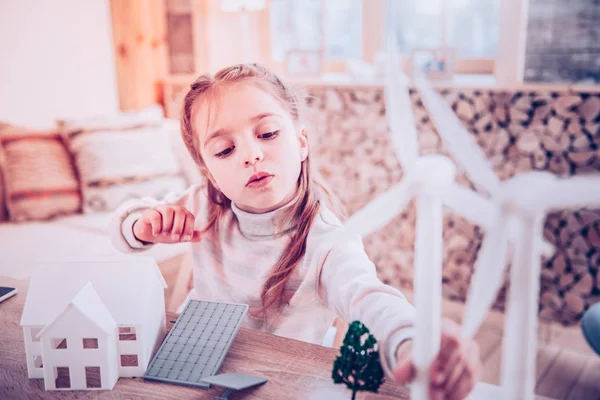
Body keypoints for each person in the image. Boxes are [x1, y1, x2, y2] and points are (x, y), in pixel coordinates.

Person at [110, 63, 481, 399]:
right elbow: (123, 226)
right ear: (209, 173)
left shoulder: (327, 240)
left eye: (268, 133)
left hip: (285, 385)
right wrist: (141, 225)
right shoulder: (202, 206)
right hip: (199, 366)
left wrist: (413, 340)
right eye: (224, 150)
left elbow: (371, 299)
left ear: (301, 142)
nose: (251, 154)